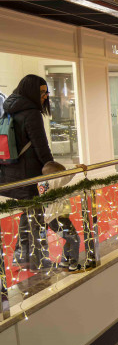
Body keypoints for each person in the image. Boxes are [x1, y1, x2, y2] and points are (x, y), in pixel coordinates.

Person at [0, 74, 59, 270]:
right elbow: (40, 145)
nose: (45, 96)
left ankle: (22, 254)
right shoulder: (31, 113)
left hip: (12, 172)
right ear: (32, 91)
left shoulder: (9, 109)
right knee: (36, 218)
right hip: (28, 174)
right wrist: (50, 166)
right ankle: (37, 259)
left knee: (28, 214)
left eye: (46, 92)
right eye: (42, 92)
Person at [38, 161, 87, 272]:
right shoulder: (51, 182)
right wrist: (76, 169)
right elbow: (63, 178)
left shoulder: (43, 183)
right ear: (53, 175)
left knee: (69, 238)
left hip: (53, 218)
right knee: (75, 239)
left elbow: (60, 174)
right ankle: (73, 264)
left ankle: (64, 261)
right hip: (58, 217)